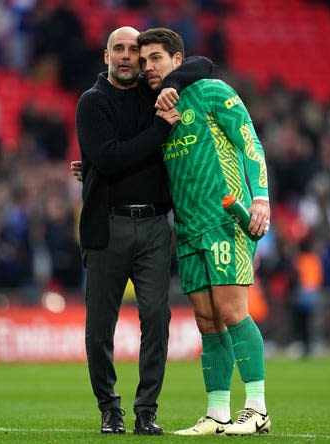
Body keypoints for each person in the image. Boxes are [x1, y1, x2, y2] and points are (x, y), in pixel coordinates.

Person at [75, 26, 214, 435]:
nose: (125, 56)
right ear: (105, 57)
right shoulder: (92, 102)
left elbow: (204, 64)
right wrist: (160, 130)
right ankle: (109, 408)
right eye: (117, 48)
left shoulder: (155, 94)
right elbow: (111, 158)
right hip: (107, 227)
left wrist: (170, 83)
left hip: (154, 226)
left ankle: (146, 410)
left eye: (133, 49)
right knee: (100, 326)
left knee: (157, 317)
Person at [137, 28, 271, 436]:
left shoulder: (212, 91)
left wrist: (261, 197)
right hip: (189, 229)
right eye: (143, 62)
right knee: (206, 319)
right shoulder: (157, 109)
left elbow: (249, 140)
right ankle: (217, 413)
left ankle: (258, 407)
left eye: (155, 58)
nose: (147, 68)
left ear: (177, 60)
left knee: (232, 312)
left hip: (225, 219)